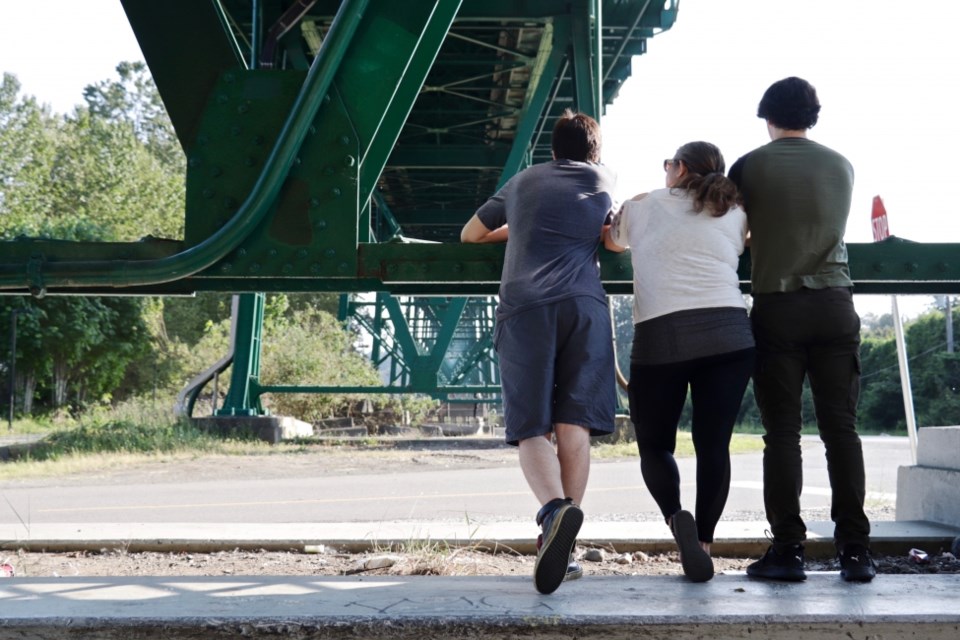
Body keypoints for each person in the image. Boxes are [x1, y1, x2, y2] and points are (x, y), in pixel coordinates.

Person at [460, 109, 617, 595]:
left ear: (552, 148)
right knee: (575, 425)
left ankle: (553, 513)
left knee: (530, 424)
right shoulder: (605, 181)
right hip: (584, 308)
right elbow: (612, 241)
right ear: (594, 150)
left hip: (526, 307)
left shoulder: (524, 181)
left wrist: (522, 229)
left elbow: (471, 235)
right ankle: (564, 550)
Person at [728, 76, 875, 583]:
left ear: (768, 116)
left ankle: (788, 550)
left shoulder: (748, 166)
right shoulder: (842, 165)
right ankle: (855, 552)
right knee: (842, 431)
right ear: (813, 115)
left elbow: (735, 232)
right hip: (835, 303)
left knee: (782, 433)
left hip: (778, 305)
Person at [604, 141, 754, 583]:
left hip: (662, 336)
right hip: (730, 333)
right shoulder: (735, 211)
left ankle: (676, 519)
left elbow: (611, 243)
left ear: (680, 168)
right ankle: (704, 542)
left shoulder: (645, 204)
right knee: (714, 445)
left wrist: (626, 211)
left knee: (654, 445)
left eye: (668, 165)